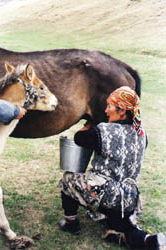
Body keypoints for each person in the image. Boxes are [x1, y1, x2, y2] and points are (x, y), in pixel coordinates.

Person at [59, 86, 166, 250]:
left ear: (122, 110)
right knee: (124, 225)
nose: (106, 110)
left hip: (107, 196)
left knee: (68, 178)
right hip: (130, 199)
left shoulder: (104, 130)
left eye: (109, 106)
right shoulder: (141, 133)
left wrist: (87, 125)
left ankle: (71, 222)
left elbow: (79, 138)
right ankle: (148, 241)